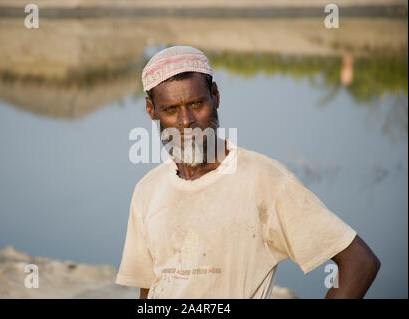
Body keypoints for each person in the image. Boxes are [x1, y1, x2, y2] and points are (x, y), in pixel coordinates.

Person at [115, 46, 380, 299]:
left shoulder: (263, 180)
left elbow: (359, 262)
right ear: (152, 110)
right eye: (171, 110)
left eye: (196, 105)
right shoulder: (148, 190)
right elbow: (150, 288)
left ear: (215, 97)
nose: (186, 122)